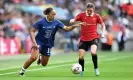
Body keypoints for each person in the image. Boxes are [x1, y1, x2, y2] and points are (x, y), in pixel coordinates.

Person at [19, 7, 80, 76]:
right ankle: (22, 71)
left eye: (55, 15)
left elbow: (67, 28)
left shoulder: (57, 22)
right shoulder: (41, 22)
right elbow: (32, 30)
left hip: (48, 44)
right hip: (39, 42)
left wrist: (75, 26)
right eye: (52, 14)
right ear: (48, 14)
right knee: (33, 58)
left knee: (44, 64)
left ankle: (40, 55)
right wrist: (34, 42)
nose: (54, 16)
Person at [70, 3, 105, 76]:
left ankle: (96, 69)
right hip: (84, 39)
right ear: (86, 9)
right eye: (88, 10)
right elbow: (74, 19)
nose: (89, 12)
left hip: (94, 37)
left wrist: (103, 33)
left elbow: (103, 25)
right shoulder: (81, 15)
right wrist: (72, 20)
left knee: (93, 52)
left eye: (91, 11)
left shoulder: (97, 16)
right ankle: (81, 71)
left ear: (93, 10)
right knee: (81, 56)